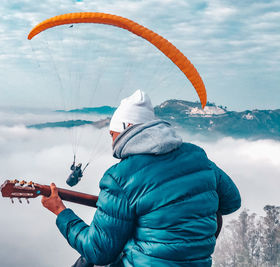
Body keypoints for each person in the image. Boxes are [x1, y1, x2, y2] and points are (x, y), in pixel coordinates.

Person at [41, 90, 241, 266]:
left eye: (112, 134)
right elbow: (232, 202)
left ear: (127, 127)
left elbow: (99, 251)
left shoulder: (119, 177)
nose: (112, 142)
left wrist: (61, 212)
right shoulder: (197, 155)